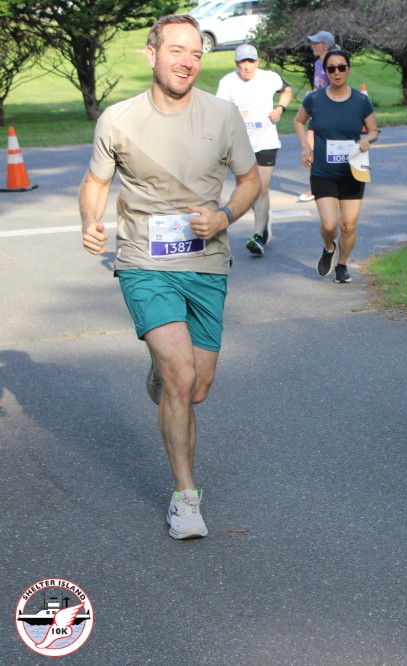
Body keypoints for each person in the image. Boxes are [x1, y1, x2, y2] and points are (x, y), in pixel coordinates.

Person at [79, 14, 260, 540]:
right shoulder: (118, 119)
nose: (187, 61)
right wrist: (90, 221)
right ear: (151, 54)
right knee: (181, 376)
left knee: (196, 387)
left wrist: (224, 216)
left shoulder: (222, 115)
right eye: (176, 50)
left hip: (206, 262)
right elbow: (95, 182)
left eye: (196, 54)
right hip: (144, 261)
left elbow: (250, 180)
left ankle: (162, 372)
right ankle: (185, 496)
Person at [293, 48, 378, 284]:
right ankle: (329, 247)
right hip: (324, 172)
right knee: (330, 225)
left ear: (348, 69)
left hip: (353, 171)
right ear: (326, 71)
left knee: (348, 226)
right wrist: (305, 146)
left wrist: (367, 139)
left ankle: (341, 265)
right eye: (331, 69)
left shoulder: (360, 101)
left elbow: (374, 130)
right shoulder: (314, 99)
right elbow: (298, 121)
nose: (337, 72)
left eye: (341, 67)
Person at [216, 43, 293, 256]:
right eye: (243, 62)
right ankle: (261, 217)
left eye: (251, 61)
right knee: (245, 188)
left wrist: (280, 109)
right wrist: (234, 113)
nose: (247, 66)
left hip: (266, 140)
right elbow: (219, 109)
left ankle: (258, 235)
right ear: (237, 63)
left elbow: (287, 90)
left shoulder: (270, 78)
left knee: (262, 188)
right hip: (241, 143)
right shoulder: (228, 82)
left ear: (257, 62)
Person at [297, 30, 337, 204]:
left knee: (330, 151)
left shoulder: (333, 64)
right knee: (310, 149)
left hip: (329, 113)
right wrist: (313, 95)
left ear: (325, 46)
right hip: (316, 112)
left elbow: (336, 89)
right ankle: (316, 186)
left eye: (316, 43)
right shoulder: (318, 63)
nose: (312, 46)